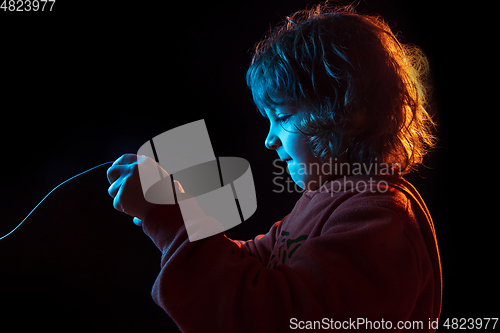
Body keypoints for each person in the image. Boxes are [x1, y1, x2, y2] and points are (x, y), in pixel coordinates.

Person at [107, 4, 441, 332]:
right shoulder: (325, 201)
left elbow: (268, 316)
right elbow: (251, 263)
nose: (269, 139)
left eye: (282, 117)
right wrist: (177, 212)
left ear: (347, 113)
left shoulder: (377, 219)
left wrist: (171, 215)